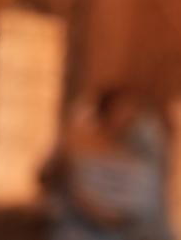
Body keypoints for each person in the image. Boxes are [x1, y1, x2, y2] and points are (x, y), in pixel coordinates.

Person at [41, 87, 172, 240]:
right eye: (122, 110)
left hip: (116, 231)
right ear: (106, 110)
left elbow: (142, 202)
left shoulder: (136, 151)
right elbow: (50, 177)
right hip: (76, 229)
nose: (127, 117)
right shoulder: (75, 142)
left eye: (132, 112)